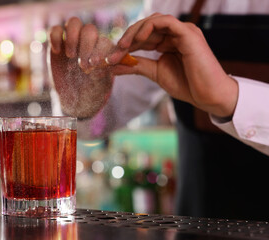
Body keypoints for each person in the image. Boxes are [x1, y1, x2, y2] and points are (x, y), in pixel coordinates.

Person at [49, 0, 269, 221]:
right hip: (198, 225)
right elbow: (102, 121)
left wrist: (229, 97)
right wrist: (82, 99)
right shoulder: (173, 3)